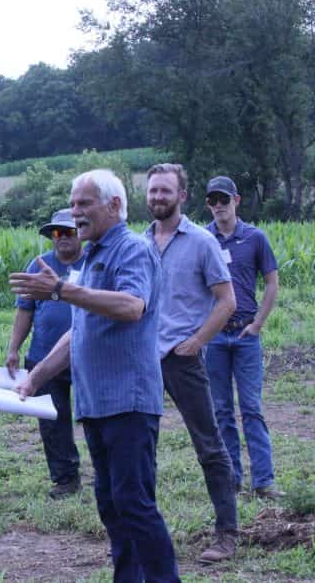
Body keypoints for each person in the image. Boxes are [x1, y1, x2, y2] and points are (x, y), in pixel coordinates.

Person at [11, 169, 180, 582]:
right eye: (73, 203)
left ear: (115, 206)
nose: (75, 212)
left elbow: (131, 306)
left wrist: (62, 290)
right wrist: (36, 378)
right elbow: (80, 331)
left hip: (128, 401)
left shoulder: (132, 250)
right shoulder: (93, 257)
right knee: (110, 501)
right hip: (98, 403)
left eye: (84, 203)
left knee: (133, 502)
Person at [144, 163, 238, 564]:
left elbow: (227, 301)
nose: (158, 198)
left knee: (209, 444)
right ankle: (142, 535)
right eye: (153, 192)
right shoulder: (138, 243)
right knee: (138, 447)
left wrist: (197, 341)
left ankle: (227, 534)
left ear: (181, 196)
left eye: (165, 191)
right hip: (144, 360)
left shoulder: (202, 242)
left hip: (183, 360)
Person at [203, 176, 283, 499]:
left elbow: (272, 284)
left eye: (224, 198)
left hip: (246, 334)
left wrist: (259, 324)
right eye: (213, 200)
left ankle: (263, 481)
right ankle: (232, 479)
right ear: (208, 203)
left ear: (236, 200)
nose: (218, 205)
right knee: (221, 410)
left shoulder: (255, 238)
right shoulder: (202, 239)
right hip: (215, 339)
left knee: (251, 408)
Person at [5, 208, 84, 499]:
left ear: (80, 234)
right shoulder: (38, 265)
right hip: (43, 356)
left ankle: (107, 471)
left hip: (86, 353)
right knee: (52, 421)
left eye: (69, 231)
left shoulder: (94, 263)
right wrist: (13, 348)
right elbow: (24, 311)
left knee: (97, 416)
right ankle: (65, 478)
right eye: (57, 232)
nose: (62, 238)